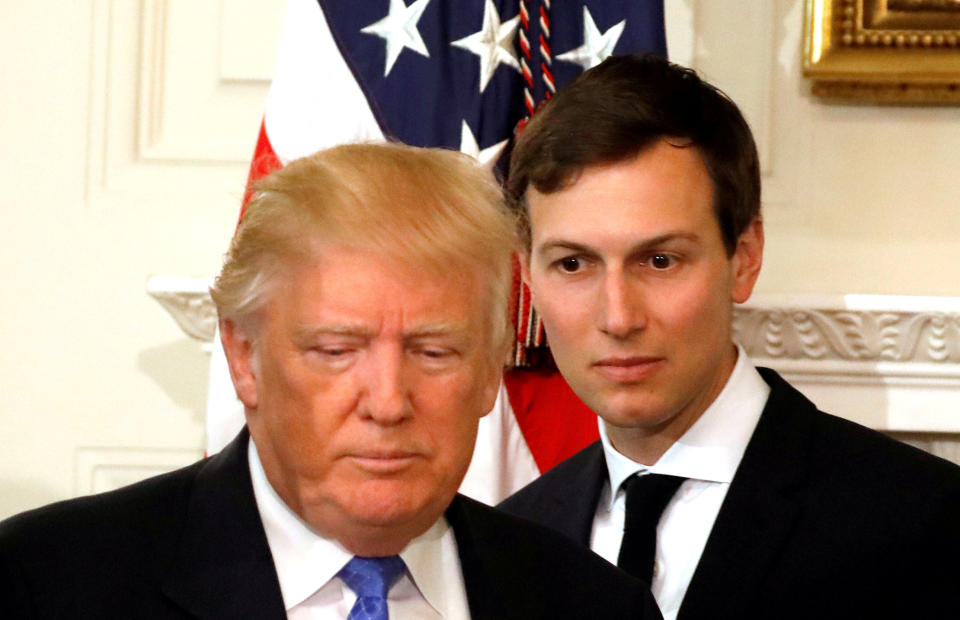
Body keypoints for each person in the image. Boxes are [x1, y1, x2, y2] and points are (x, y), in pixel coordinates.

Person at [0, 143, 662, 619]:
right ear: (242, 357)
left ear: (492, 369)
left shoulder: (596, 605)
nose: (386, 402)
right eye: (336, 349)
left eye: (435, 352)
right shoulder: (48, 584)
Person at [498, 54, 960, 620]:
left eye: (660, 260)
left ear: (744, 258)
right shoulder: (515, 537)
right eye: (573, 264)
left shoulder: (922, 521)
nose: (617, 317)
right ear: (529, 279)